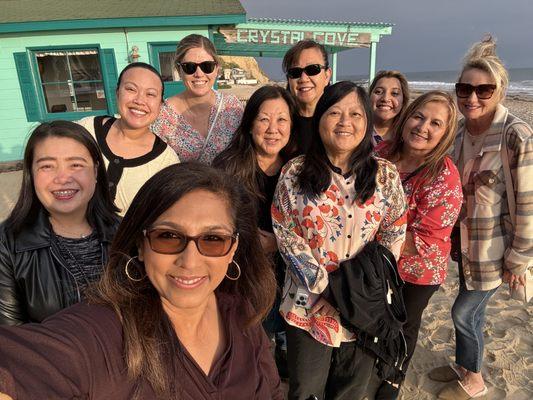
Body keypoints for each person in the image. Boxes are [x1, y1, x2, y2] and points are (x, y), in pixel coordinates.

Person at [0, 162, 282, 399]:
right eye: (168, 236)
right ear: (140, 245)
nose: (190, 261)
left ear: (233, 249)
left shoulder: (241, 313)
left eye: (213, 239)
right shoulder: (102, 333)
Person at [271, 81, 407, 400]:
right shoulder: (294, 172)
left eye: (355, 114)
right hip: (309, 304)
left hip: (364, 305)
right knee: (306, 390)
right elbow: (285, 232)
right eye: (334, 112)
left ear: (367, 122)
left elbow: (394, 230)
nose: (345, 122)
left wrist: (357, 287)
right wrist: (328, 288)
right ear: (319, 119)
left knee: (351, 390)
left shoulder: (385, 175)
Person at [428, 37, 533, 400]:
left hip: (497, 250)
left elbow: (528, 203)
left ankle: (474, 380)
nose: (472, 98)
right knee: (471, 310)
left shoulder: (516, 135)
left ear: (499, 91)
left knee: (463, 313)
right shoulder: (458, 132)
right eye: (464, 89)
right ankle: (464, 364)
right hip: (464, 245)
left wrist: (520, 258)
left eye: (483, 90)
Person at [374, 91, 462, 399]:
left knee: (402, 327)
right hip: (377, 260)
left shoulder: (444, 176)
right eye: (418, 116)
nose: (423, 127)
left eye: (435, 123)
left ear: (446, 133)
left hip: (416, 270)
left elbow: (425, 241)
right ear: (406, 117)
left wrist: (367, 232)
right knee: (374, 319)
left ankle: (391, 381)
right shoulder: (382, 152)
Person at [213, 85, 298, 378]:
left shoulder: (298, 169)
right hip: (242, 272)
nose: (273, 129)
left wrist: (279, 243)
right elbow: (215, 222)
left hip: (289, 271)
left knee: (285, 343)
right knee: (250, 344)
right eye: (263, 119)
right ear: (250, 125)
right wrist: (249, 242)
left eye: (282, 120)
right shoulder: (227, 166)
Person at [0, 121, 120, 326]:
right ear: (31, 173)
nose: (63, 178)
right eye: (47, 166)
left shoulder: (126, 232)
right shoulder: (7, 244)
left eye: (76, 165)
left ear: (96, 171)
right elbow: (11, 337)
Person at [78, 62, 179, 216]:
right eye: (131, 89)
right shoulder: (86, 130)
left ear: (160, 103)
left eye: (150, 94)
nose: (139, 100)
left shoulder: (166, 161)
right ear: (117, 93)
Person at [151, 34, 244, 164]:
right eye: (189, 67)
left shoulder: (232, 107)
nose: (199, 74)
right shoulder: (162, 116)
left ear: (217, 69)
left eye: (207, 66)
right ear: (179, 70)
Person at [282, 39, 332, 154]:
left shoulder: (339, 121)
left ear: (327, 76)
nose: (303, 79)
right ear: (289, 79)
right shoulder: (279, 123)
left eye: (312, 69)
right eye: (295, 72)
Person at [368, 70, 410, 145]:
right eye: (379, 92)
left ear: (404, 100)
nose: (385, 98)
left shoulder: (408, 136)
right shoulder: (357, 130)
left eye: (394, 93)